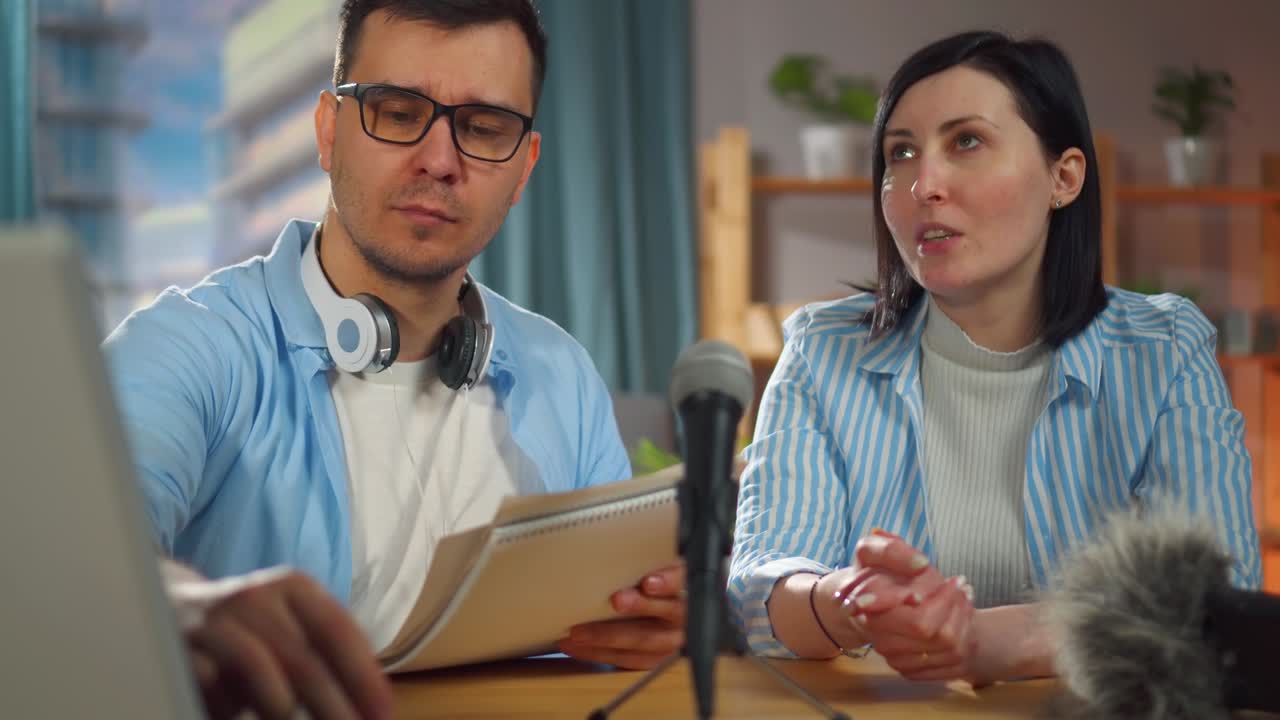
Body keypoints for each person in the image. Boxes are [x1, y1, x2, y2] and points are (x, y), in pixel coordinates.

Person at [105, 2, 685, 718]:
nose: (440, 161)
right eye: (398, 112)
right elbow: (74, 552)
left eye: (484, 128)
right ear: (328, 130)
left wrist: (646, 622)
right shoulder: (189, 345)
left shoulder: (560, 371)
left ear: (525, 166)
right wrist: (186, 605)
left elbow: (606, 644)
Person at [727, 30, 1261, 688]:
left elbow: (1223, 603)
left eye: (967, 141)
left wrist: (992, 639)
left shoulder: (1165, 348)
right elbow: (758, 591)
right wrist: (850, 602)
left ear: (1063, 177)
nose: (924, 184)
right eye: (900, 153)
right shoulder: (819, 350)